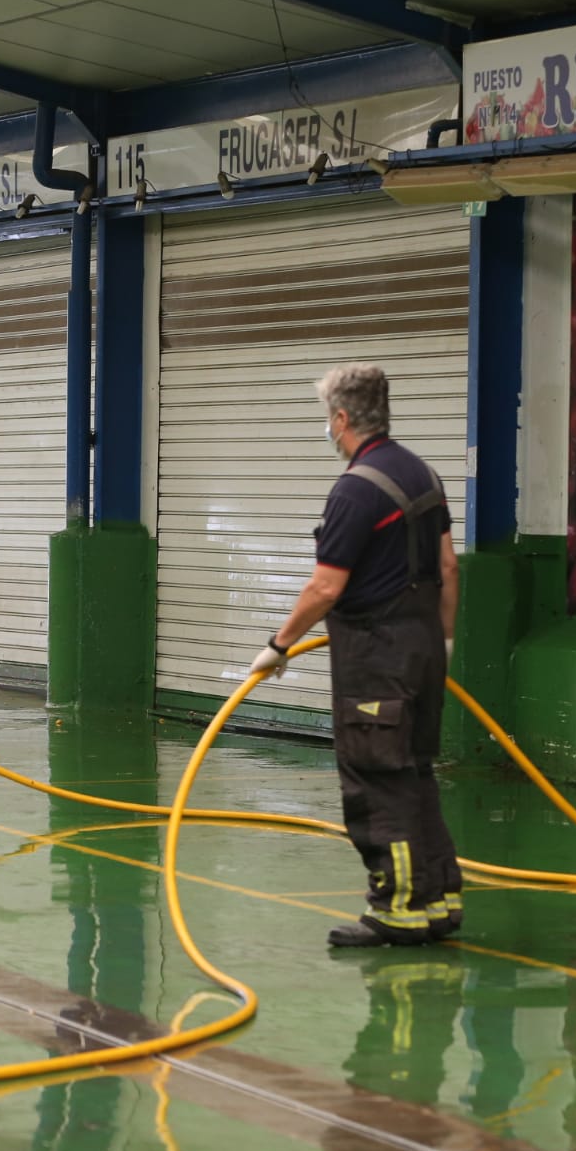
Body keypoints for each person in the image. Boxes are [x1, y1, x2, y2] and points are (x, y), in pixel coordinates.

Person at [245, 363, 463, 948]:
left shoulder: (356, 489)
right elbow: (447, 568)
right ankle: (439, 901)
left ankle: (398, 910)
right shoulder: (423, 475)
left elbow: (325, 588)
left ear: (342, 418)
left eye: (328, 417)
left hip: (377, 659)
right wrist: (442, 642)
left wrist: (278, 645)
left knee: (379, 782)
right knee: (415, 775)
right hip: (423, 652)